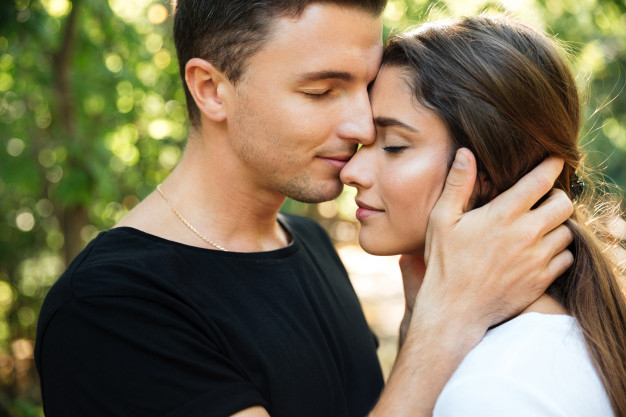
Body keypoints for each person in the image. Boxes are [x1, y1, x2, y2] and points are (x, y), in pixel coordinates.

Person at [35, 2, 576, 416]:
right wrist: (446, 321)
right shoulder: (110, 309)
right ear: (211, 90)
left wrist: (419, 318)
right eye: (322, 91)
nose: (364, 126)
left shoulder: (307, 243)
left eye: (366, 86)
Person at [341, 14, 626, 417]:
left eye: (393, 145)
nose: (351, 171)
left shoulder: (492, 391)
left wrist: (437, 327)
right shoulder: (560, 338)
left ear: (487, 174)